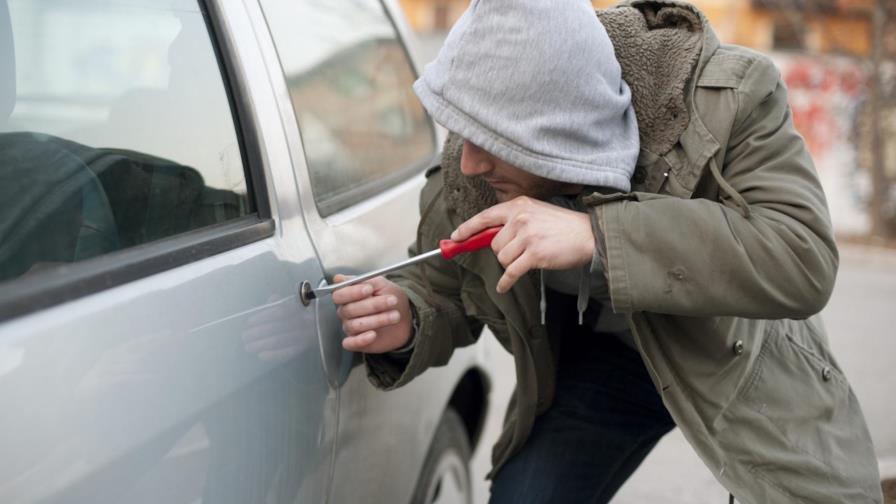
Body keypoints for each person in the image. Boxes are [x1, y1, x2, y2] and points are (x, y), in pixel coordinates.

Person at [332, 0, 883, 502]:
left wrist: (598, 235)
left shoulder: (729, 99)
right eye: (464, 135)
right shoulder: (472, 168)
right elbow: (444, 282)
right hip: (607, 366)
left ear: (556, 129)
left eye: (492, 142)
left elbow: (801, 255)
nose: (471, 162)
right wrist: (407, 317)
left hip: (737, 352)